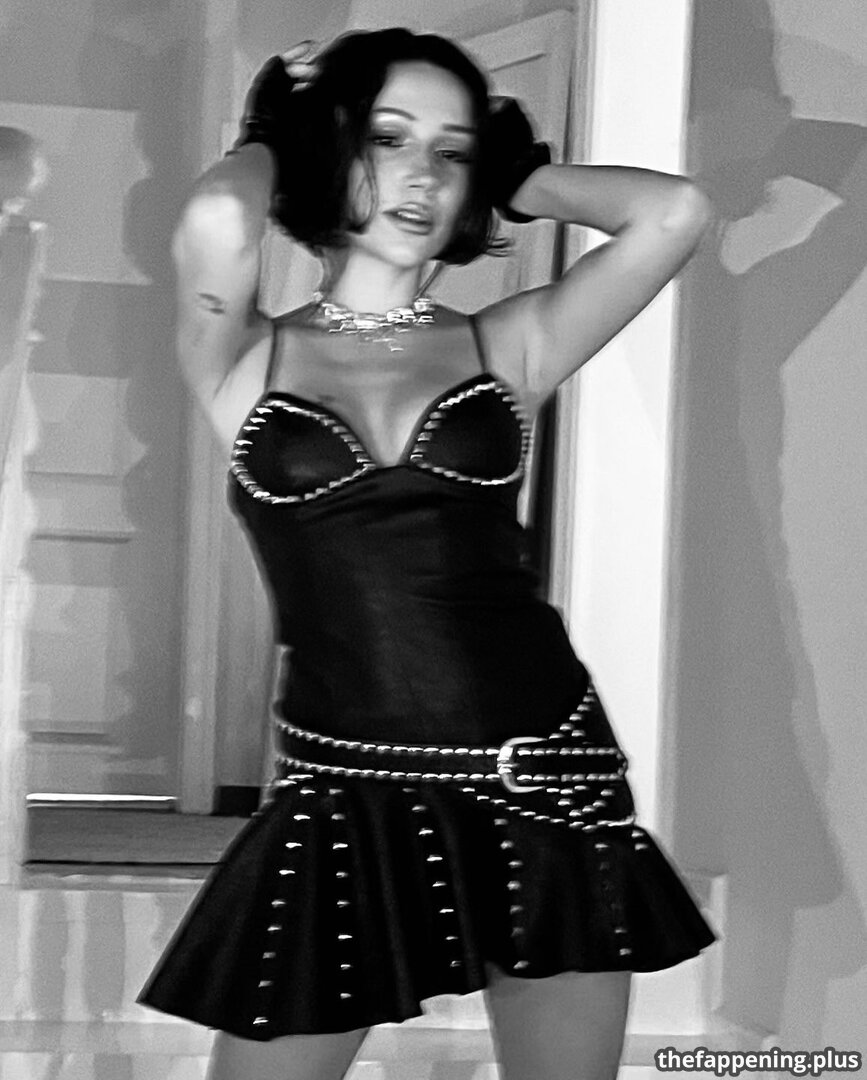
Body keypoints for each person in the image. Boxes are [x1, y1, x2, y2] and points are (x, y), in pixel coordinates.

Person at [137, 28, 716, 1080]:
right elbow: (218, 216)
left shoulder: (508, 343)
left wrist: (514, 177)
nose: (424, 176)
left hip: (544, 774)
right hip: (343, 787)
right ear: (329, 153)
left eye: (451, 153)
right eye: (388, 139)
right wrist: (275, 133)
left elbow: (670, 213)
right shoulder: (245, 353)